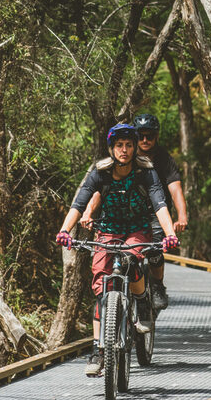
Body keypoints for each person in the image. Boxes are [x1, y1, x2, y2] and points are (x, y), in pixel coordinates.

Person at [55, 123, 180, 377]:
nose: (124, 150)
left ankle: (142, 304)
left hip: (137, 230)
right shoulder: (100, 173)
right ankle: (99, 351)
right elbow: (79, 203)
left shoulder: (147, 172)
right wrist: (64, 231)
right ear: (112, 148)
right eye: (119, 145)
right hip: (108, 231)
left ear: (135, 148)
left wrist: (170, 234)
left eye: (129, 145)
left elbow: (159, 205)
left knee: (132, 261)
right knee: (101, 286)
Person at [80, 112, 187, 311]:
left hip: (154, 211)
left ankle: (156, 287)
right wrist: (88, 213)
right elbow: (100, 189)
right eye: (141, 136)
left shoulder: (163, 159)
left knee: (154, 247)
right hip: (119, 214)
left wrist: (181, 217)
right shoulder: (123, 154)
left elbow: (175, 188)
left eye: (150, 136)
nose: (145, 140)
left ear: (157, 137)